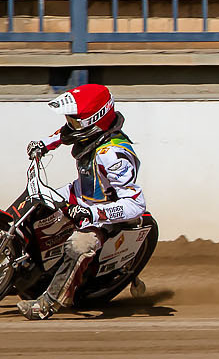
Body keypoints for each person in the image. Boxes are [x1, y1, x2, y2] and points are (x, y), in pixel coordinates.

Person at [21, 82, 148, 320]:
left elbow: (136, 204)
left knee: (77, 247)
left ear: (95, 120)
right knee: (36, 207)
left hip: (104, 214)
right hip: (80, 194)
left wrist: (94, 214)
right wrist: (43, 144)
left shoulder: (113, 155)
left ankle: (47, 304)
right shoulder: (88, 133)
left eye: (76, 120)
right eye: (71, 120)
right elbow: (64, 134)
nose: (71, 124)